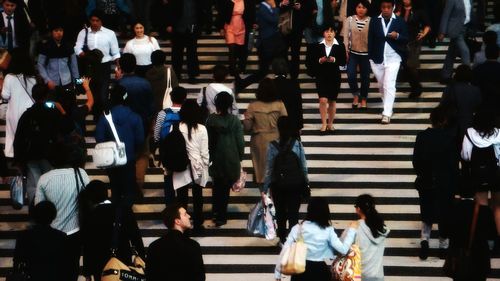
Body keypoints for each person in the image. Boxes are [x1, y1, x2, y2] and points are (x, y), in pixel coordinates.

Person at [34, 148, 90, 281]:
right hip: (75, 231)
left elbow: (39, 207)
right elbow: (90, 197)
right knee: (72, 266)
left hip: (52, 231)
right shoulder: (80, 173)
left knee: (53, 266)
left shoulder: (44, 179)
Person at [413, 105, 459, 259]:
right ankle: (443, 246)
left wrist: (423, 174)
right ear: (444, 120)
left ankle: (425, 241)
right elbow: (453, 165)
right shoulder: (449, 139)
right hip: (444, 183)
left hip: (425, 181)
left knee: (427, 212)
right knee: (444, 214)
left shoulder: (422, 136)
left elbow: (416, 161)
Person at [274, 197, 358, 281]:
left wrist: (278, 274)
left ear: (309, 210)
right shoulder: (328, 230)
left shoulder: (298, 228)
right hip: (320, 271)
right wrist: (352, 230)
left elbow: (285, 249)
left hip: (300, 271)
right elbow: (343, 249)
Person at [79, 180, 145, 281]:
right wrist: (142, 257)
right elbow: (136, 236)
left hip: (99, 265)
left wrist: (87, 271)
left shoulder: (89, 216)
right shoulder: (124, 210)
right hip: (122, 260)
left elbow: (88, 246)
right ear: (107, 193)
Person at [95, 84, 144, 208]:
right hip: (129, 158)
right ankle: (126, 216)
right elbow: (140, 140)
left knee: (115, 188)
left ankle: (115, 216)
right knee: (128, 189)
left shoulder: (104, 117)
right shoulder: (135, 117)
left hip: (111, 159)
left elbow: (99, 138)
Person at [13, 84, 61, 205]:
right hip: (49, 155)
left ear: (33, 96)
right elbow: (61, 131)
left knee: (34, 185)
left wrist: (18, 160)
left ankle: (35, 214)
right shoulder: (52, 113)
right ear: (47, 95)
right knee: (50, 185)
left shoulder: (27, 115)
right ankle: (50, 213)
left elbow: (18, 138)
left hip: (30, 155)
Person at [262, 116, 308, 242]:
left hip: (278, 185)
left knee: (281, 213)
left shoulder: (273, 146)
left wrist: (265, 187)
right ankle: (293, 240)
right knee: (293, 213)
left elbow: (269, 168)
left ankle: (282, 238)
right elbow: (303, 165)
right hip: (295, 183)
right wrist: (306, 182)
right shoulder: (297, 144)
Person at [115, 53, 154, 198]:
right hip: (142, 123)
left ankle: (125, 187)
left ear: (121, 67)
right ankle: (138, 184)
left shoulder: (120, 84)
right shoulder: (145, 83)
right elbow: (151, 107)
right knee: (142, 154)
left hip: (122, 125)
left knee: (124, 155)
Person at [461, 106, 500, 246]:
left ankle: (479, 238)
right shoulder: (498, 134)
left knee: (480, 206)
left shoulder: (469, 133)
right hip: (496, 174)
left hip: (479, 175)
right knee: (497, 206)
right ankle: (498, 238)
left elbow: (465, 156)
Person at [206, 92, 245, 226]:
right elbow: (240, 141)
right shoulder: (234, 120)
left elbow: (208, 141)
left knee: (217, 185)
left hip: (215, 156)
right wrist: (240, 156)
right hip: (231, 156)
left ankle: (216, 211)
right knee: (226, 188)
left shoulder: (210, 120)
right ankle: (222, 215)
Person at [74, 9, 120, 119]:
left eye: (97, 20)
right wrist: (84, 55)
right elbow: (77, 47)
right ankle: (96, 118)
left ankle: (106, 118)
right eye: (92, 20)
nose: (94, 22)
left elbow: (115, 52)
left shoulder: (110, 33)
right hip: (89, 68)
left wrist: (119, 68)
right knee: (93, 95)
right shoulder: (83, 32)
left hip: (104, 67)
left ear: (101, 21)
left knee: (103, 95)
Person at [368, 0, 408, 124]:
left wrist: (397, 36)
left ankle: (386, 113)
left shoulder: (400, 21)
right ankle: (387, 106)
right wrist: (370, 57)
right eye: (384, 7)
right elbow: (370, 39)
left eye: (388, 7)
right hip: (377, 58)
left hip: (394, 58)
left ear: (393, 7)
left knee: (388, 84)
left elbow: (406, 38)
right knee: (381, 85)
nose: (386, 9)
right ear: (381, 7)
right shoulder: (374, 20)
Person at [173, 100, 209, 233]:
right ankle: (198, 223)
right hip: (198, 165)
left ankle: (183, 225)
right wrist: (206, 165)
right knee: (198, 195)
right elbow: (205, 152)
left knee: (181, 197)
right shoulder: (202, 128)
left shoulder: (176, 127)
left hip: (181, 164)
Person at [243, 78, 288, 187]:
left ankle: (264, 198)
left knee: (260, 172)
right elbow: (285, 123)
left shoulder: (253, 106)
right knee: (276, 169)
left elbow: (247, 127)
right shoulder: (280, 105)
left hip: (259, 141)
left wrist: (246, 119)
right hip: (276, 139)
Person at [146, 203, 206, 281]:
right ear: (177, 221)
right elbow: (200, 277)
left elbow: (150, 276)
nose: (189, 216)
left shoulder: (154, 246)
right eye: (185, 214)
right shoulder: (193, 246)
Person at [235, 0, 285, 92]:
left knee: (279, 66)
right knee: (262, 72)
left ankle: (281, 89)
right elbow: (274, 20)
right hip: (265, 44)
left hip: (272, 42)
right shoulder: (263, 7)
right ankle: (241, 83)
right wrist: (275, 8)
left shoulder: (267, 7)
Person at [447, 189, 496, 281]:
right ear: (475, 194)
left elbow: (446, 232)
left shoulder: (453, 210)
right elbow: (492, 235)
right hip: (480, 259)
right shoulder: (485, 211)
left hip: (459, 259)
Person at [13, 201, 67, 281]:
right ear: (53, 217)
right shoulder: (61, 236)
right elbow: (64, 263)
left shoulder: (23, 235)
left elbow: (17, 260)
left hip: (31, 275)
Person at [1, 48, 37, 159]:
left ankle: (13, 155)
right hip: (30, 112)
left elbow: (5, 96)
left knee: (13, 135)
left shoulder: (9, 77)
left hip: (14, 112)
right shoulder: (34, 79)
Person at [153, 87, 186, 204]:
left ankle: (170, 208)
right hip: (183, 153)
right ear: (185, 98)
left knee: (168, 181)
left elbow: (156, 134)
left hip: (166, 153)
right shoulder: (186, 112)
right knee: (182, 182)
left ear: (171, 98)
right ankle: (182, 207)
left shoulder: (163, 113)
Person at [314, 24, 346, 134]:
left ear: (335, 33)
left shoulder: (340, 45)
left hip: (334, 76)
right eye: (327, 31)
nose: (329, 33)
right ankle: (323, 123)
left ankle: (330, 124)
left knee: (332, 101)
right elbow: (311, 62)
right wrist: (320, 60)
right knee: (323, 100)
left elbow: (343, 62)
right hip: (321, 75)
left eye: (331, 31)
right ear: (323, 33)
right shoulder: (317, 46)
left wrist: (334, 60)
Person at [164, 0, 204, 83]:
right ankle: (177, 75)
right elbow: (169, 10)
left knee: (192, 54)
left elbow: (201, 11)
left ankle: (192, 76)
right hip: (178, 29)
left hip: (192, 29)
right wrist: (169, 24)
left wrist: (199, 26)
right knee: (177, 53)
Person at [398, 0, 430, 99]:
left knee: (411, 65)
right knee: (406, 66)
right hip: (401, 41)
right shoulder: (398, 10)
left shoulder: (418, 11)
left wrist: (423, 34)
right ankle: (415, 86)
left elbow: (427, 25)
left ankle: (417, 88)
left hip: (414, 41)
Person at [440, 64, 481, 141]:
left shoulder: (449, 88)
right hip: (468, 123)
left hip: (451, 123)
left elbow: (442, 104)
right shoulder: (475, 90)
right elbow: (477, 107)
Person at [342, 0, 371, 109]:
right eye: (359, 7)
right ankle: (355, 95)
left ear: (367, 9)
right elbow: (345, 37)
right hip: (353, 53)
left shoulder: (371, 21)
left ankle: (363, 98)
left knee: (365, 78)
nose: (361, 9)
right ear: (355, 8)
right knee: (350, 75)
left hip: (366, 54)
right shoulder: (349, 20)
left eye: (363, 7)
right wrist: (346, 51)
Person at [354, 194, 390, 281]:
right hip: (378, 275)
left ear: (358, 209)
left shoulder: (355, 227)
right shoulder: (381, 228)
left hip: (360, 275)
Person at [216, 0, 256, 76]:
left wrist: (253, 23)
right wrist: (221, 27)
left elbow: (251, 12)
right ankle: (232, 69)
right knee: (232, 49)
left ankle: (241, 68)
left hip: (242, 27)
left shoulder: (247, 1)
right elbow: (221, 13)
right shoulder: (227, 1)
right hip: (230, 27)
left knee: (240, 49)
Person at [37, 23, 80, 90]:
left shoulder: (68, 46)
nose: (59, 33)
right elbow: (40, 64)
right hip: (51, 82)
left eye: (61, 30)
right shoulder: (45, 46)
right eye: (56, 31)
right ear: (52, 32)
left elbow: (74, 66)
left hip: (67, 81)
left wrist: (77, 82)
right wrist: (47, 80)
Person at [438, 0, 472, 83]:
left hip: (464, 28)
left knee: (452, 52)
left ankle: (445, 76)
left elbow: (469, 14)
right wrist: (442, 31)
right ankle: (466, 78)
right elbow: (446, 15)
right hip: (454, 29)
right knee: (465, 51)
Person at [277, 0, 308, 80]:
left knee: (295, 54)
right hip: (284, 27)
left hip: (297, 29)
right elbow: (276, 4)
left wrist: (300, 7)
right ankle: (284, 71)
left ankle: (294, 75)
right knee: (282, 52)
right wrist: (281, 4)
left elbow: (309, 7)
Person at [272, 58, 304, 132]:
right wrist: (299, 126)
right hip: (291, 123)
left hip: (272, 123)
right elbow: (298, 106)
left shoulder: (268, 84)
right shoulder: (294, 84)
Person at [472, 44, 500, 123]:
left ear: (486, 54)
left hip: (483, 104)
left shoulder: (478, 69)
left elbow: (474, 86)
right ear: (498, 54)